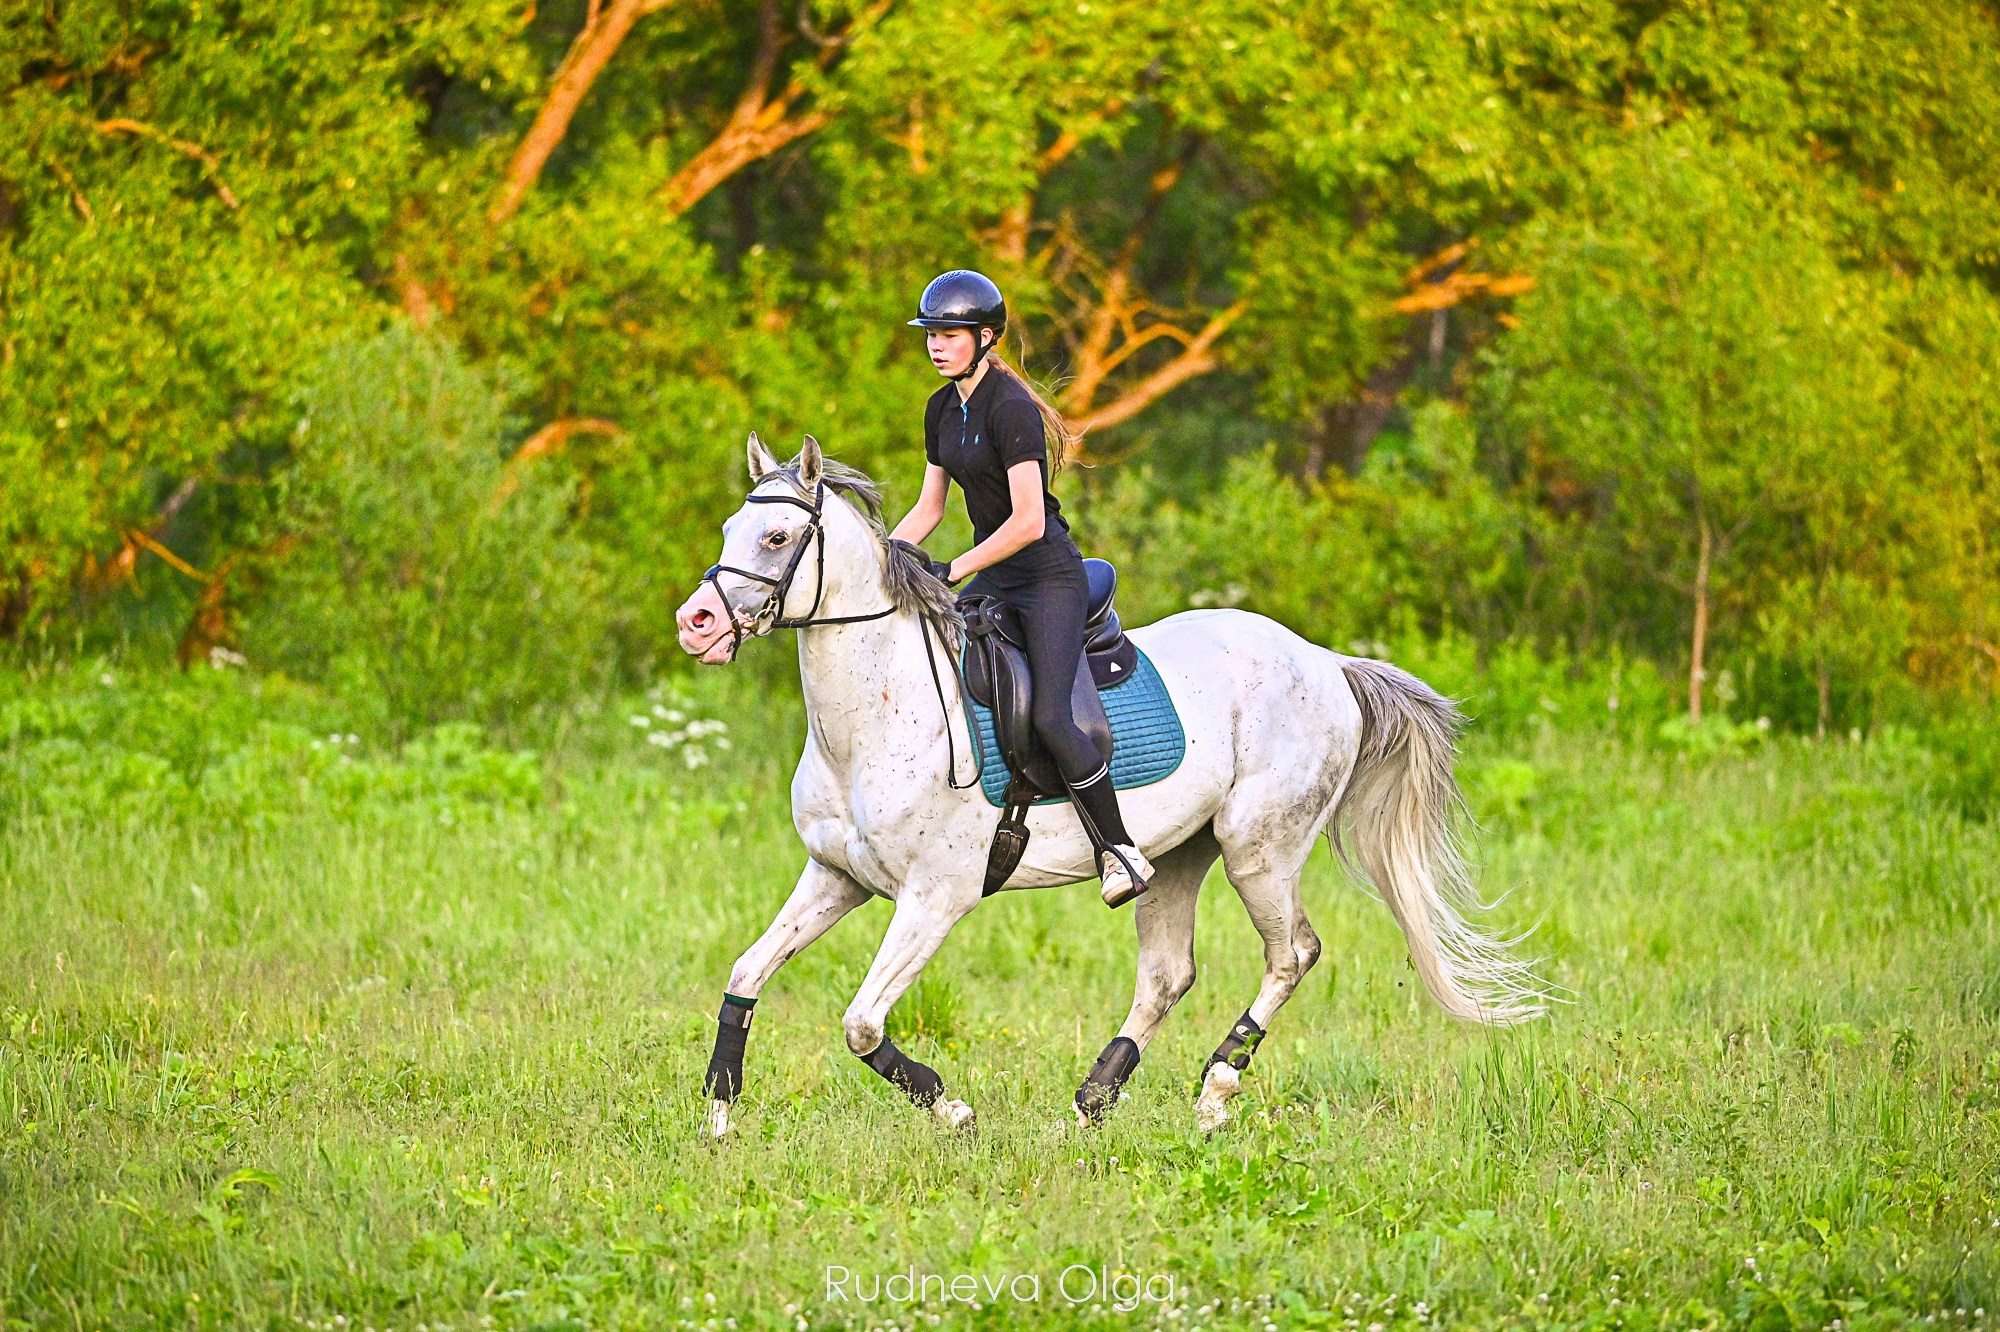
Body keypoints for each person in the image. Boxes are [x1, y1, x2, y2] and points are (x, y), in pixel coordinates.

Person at [888, 270, 1155, 908]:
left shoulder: (1011, 410)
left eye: (949, 334)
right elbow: (929, 509)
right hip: (995, 573)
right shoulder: (939, 409)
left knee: (1051, 714)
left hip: (1047, 579)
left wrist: (952, 569)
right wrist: (887, 558)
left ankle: (1119, 848)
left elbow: (1028, 520)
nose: (936, 344)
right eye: (930, 334)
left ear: (985, 337)